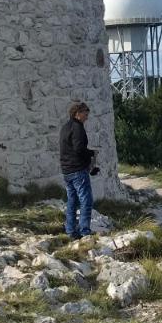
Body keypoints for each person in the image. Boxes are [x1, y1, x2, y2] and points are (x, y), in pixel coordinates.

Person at [59, 101, 100, 240]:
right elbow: (78, 149)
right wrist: (90, 154)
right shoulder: (78, 128)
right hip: (77, 170)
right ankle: (84, 231)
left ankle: (70, 230)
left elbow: (69, 149)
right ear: (77, 113)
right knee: (86, 200)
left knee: (72, 201)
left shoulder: (65, 127)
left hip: (66, 170)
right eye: (85, 114)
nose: (86, 117)